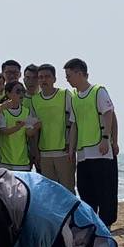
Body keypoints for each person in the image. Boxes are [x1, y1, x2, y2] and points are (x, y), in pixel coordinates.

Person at [65, 58, 119, 227]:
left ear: (79, 73)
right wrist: (71, 149)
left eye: (69, 75)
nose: (67, 78)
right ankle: (92, 222)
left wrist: (107, 139)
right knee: (86, 191)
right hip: (83, 154)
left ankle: (106, 223)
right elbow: (74, 125)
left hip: (100, 151)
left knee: (105, 190)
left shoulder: (98, 91)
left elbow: (109, 114)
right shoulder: (73, 97)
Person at [28, 63, 75, 191]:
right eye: (41, 77)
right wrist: (36, 153)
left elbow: (73, 123)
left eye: (47, 76)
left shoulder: (65, 94)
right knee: (49, 192)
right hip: (44, 154)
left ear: (54, 79)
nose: (44, 80)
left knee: (67, 190)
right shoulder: (34, 100)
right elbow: (35, 128)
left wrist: (71, 148)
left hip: (64, 152)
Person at [0, 81, 35, 172]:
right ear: (8, 93)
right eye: (18, 91)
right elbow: (3, 131)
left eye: (23, 91)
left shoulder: (26, 111)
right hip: (5, 161)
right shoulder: (1, 110)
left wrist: (36, 127)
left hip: (22, 160)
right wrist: (17, 127)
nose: (21, 94)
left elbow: (28, 133)